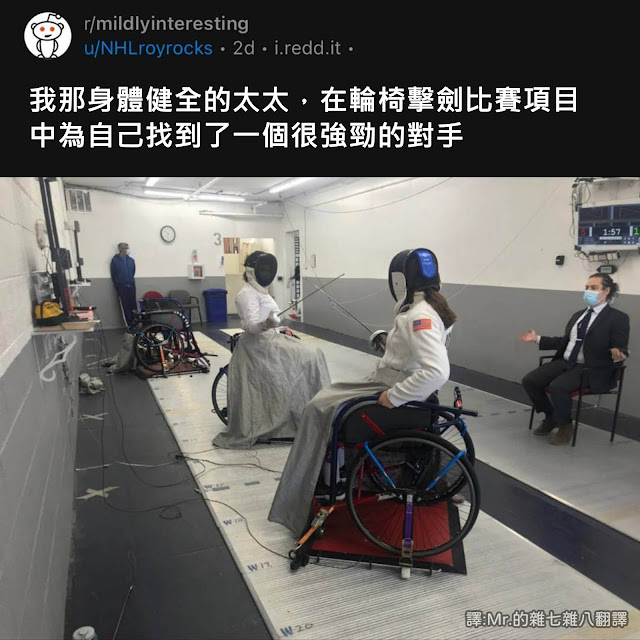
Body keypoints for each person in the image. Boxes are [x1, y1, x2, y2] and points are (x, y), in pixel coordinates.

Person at [268, 248, 455, 537]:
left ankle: (333, 482)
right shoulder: (422, 308)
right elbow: (412, 354)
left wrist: (394, 396)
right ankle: (330, 474)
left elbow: (437, 371)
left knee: (322, 408)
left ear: (401, 280)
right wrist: (387, 341)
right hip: (390, 382)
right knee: (327, 397)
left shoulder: (420, 316)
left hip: (401, 396)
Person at [212, 251, 331, 448]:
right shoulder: (246, 294)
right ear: (252, 271)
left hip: (271, 340)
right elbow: (251, 326)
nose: (267, 273)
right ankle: (303, 415)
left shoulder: (261, 292)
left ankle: (311, 413)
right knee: (311, 356)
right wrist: (267, 324)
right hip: (258, 347)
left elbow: (269, 320)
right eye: (263, 269)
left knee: (313, 354)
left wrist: (281, 328)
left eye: (269, 269)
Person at [519, 273, 630, 445]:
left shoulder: (618, 318)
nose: (588, 291)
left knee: (558, 387)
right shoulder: (579, 315)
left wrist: (618, 356)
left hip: (591, 368)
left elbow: (620, 347)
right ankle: (552, 416)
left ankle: (565, 425)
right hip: (566, 362)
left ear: (606, 291)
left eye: (594, 288)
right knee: (530, 381)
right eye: (587, 288)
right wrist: (538, 339)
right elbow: (565, 341)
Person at [110, 242, 136, 326]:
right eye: (126, 248)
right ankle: (129, 325)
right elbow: (113, 274)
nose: (128, 250)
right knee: (125, 306)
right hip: (121, 287)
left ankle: (135, 323)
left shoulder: (131, 260)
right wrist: (118, 284)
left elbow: (133, 272)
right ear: (121, 249)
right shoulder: (115, 260)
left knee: (133, 306)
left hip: (131, 286)